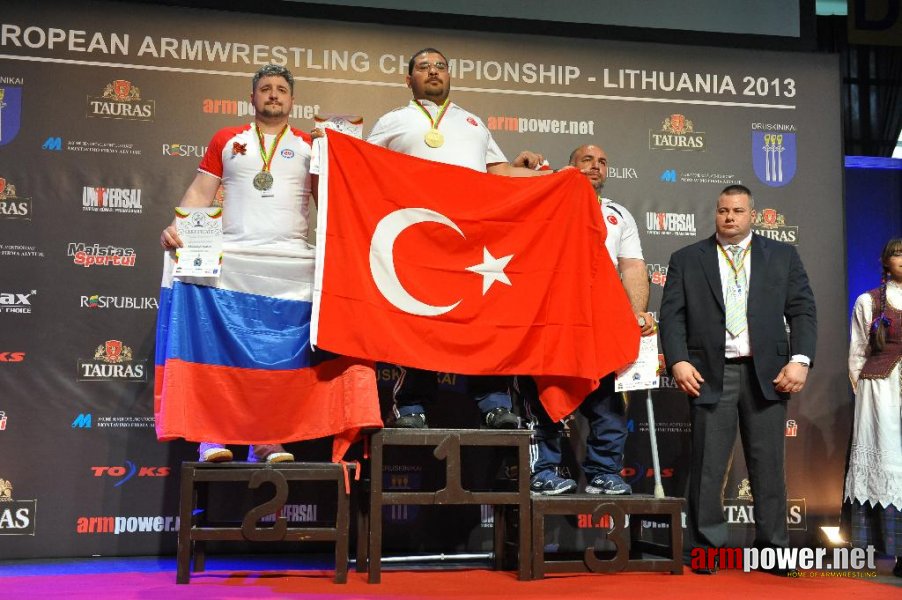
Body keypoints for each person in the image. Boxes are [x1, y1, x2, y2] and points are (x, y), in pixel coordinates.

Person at [366, 47, 550, 430]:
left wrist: (551, 178)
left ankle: (495, 403)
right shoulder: (392, 121)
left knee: (480, 319)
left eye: (440, 66)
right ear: (408, 79)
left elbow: (498, 171)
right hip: (417, 239)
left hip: (469, 238)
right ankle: (410, 404)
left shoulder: (472, 123)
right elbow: (362, 167)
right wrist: (327, 146)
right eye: (422, 67)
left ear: (449, 75)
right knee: (416, 320)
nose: (433, 72)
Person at [158, 64, 312, 463]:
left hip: (289, 263)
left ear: (292, 100)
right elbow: (201, 191)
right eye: (265, 89)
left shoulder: (312, 145)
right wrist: (176, 228)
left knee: (275, 357)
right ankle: (213, 436)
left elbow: (329, 203)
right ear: (252, 98)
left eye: (281, 89)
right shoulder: (227, 139)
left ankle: (266, 438)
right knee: (217, 349)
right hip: (230, 258)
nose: (273, 94)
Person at [659, 184, 817, 574]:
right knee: (708, 467)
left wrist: (800, 359)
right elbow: (673, 316)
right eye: (723, 211)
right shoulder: (686, 258)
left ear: (753, 214)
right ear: (715, 213)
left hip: (768, 374)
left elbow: (803, 311)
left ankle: (774, 551)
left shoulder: (782, 256)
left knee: (768, 466)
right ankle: (706, 550)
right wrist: (677, 360)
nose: (729, 217)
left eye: (738, 211)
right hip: (711, 373)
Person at [513, 144, 655, 495]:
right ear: (569, 166)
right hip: (549, 318)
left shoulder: (618, 215)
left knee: (606, 403)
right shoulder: (545, 198)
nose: (596, 166)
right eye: (587, 160)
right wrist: (527, 172)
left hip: (599, 322)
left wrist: (636, 312)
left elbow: (633, 266)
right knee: (545, 392)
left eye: (603, 161)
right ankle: (542, 470)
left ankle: (604, 472)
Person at [844, 238, 902, 578]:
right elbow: (857, 355)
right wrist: (865, 395)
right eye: (897, 253)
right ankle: (889, 551)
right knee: (886, 460)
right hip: (880, 393)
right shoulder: (869, 301)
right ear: (885, 261)